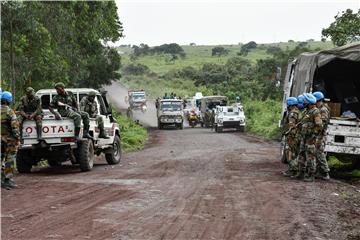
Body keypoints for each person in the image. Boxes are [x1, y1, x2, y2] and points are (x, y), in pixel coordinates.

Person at [297, 93, 322, 182]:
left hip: (310, 138)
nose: (304, 103)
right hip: (305, 137)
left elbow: (319, 125)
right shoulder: (307, 111)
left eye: (305, 102)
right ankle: (301, 172)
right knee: (302, 154)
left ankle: (310, 175)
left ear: (309, 103)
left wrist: (313, 136)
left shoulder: (315, 112)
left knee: (310, 157)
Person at [1, 91, 20, 189]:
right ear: (9, 100)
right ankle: (7, 180)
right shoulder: (10, 112)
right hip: (9, 140)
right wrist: (17, 138)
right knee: (10, 159)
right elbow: (14, 127)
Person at [313, 91, 330, 180]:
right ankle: (320, 172)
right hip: (319, 134)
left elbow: (322, 123)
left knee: (319, 153)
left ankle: (325, 172)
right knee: (317, 153)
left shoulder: (323, 109)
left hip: (320, 135)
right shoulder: (320, 108)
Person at [282, 97, 299, 177]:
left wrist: (286, 133)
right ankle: (293, 169)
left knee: (290, 152)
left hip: (292, 136)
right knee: (293, 152)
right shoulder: (297, 111)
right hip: (294, 135)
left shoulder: (293, 113)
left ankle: (292, 170)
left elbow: (291, 126)